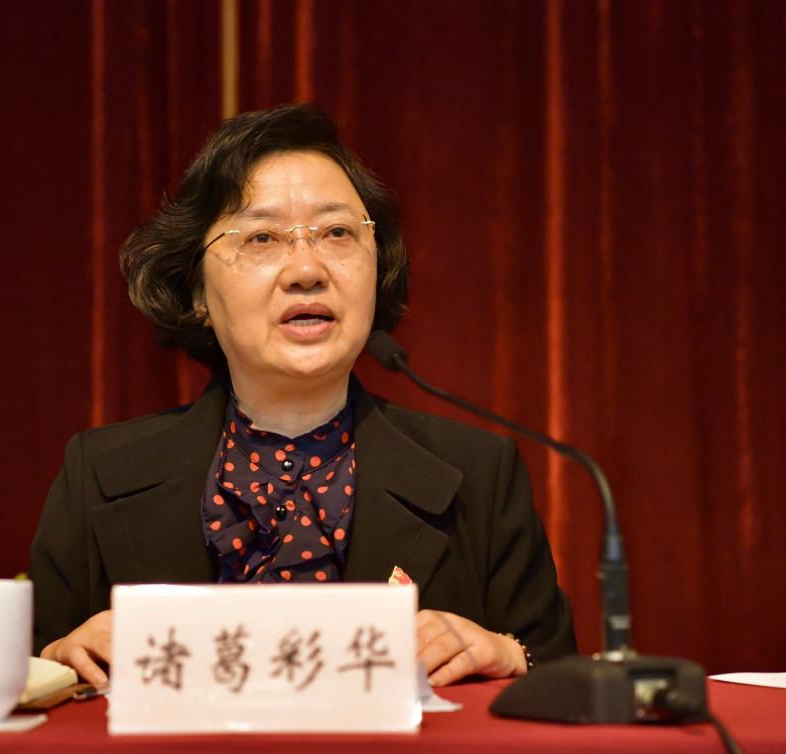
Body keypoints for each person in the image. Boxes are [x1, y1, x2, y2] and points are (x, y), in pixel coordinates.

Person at [29, 103, 576, 690]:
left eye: (337, 233)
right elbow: (20, 683)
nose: (307, 270)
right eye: (261, 237)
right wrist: (54, 661)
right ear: (196, 292)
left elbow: (566, 682)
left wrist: (509, 653)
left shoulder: (478, 476)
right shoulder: (98, 475)